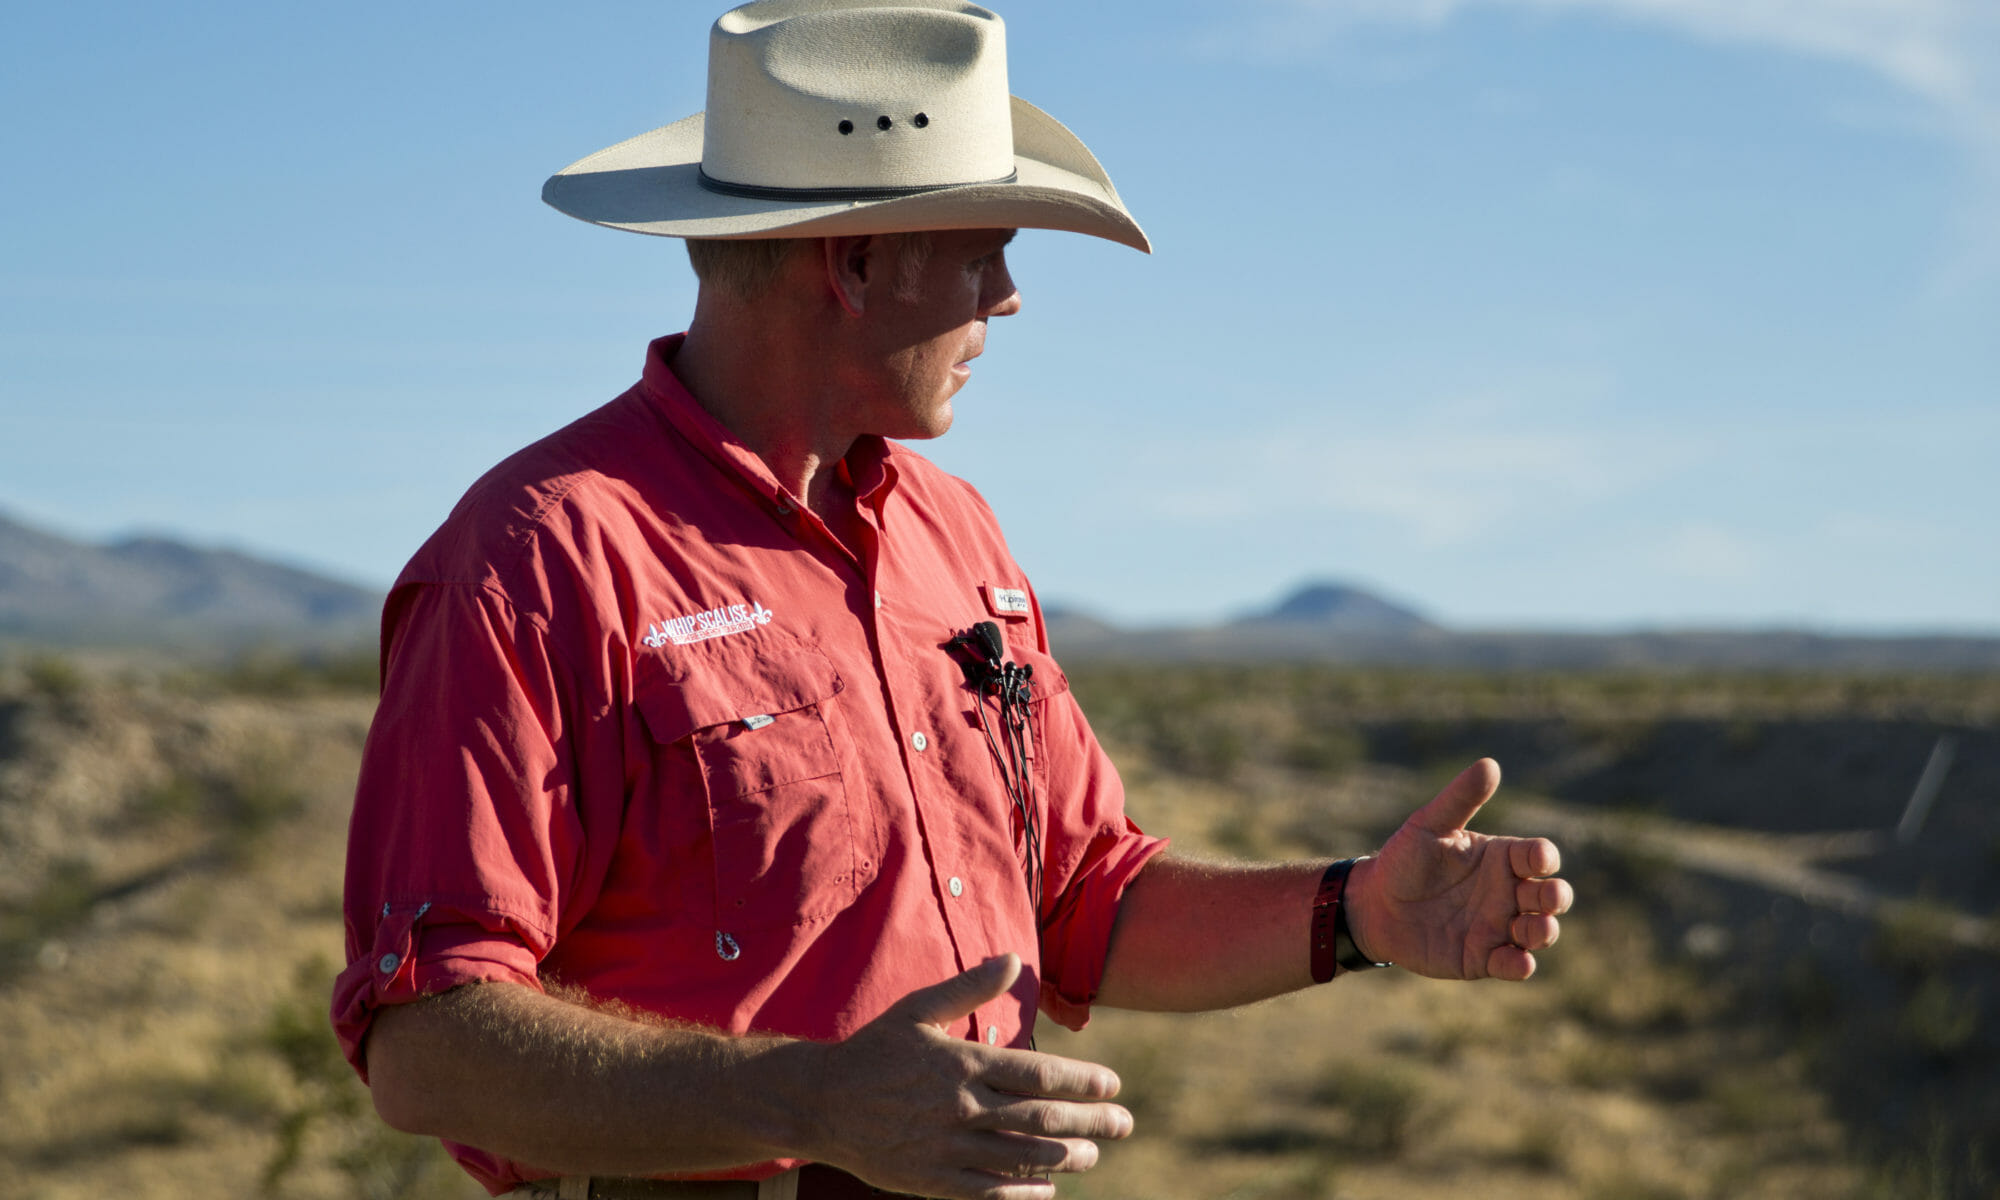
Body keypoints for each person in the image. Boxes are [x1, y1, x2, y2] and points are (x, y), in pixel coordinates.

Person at [331, 4, 1575, 1199]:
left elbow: (1088, 900)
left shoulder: (952, 530)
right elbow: (428, 1044)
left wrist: (1354, 912)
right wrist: (812, 1104)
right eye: (985, 250)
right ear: (858, 262)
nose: (1008, 298)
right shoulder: (539, 558)